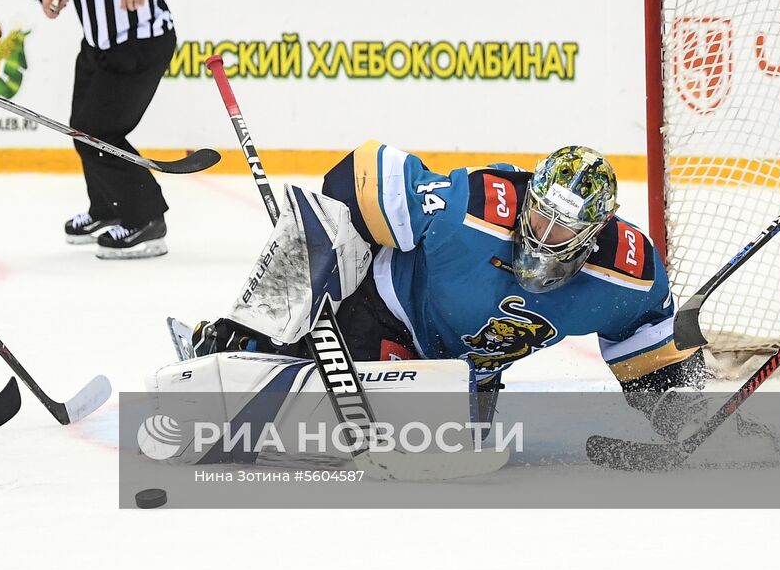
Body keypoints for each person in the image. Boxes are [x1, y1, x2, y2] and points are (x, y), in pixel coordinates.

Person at [178, 144, 710, 439]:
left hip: (467, 371)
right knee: (319, 233)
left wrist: (674, 410)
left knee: (453, 447)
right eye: (541, 217)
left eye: (564, 230)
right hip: (390, 315)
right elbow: (361, 172)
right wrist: (333, 238)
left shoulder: (627, 274)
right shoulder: (472, 209)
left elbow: (646, 350)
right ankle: (237, 341)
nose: (545, 237)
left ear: (594, 233)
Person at [27, 0, 192, 260]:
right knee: (80, 130)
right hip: (97, 45)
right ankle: (106, 208)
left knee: (101, 132)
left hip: (142, 42)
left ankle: (146, 219)